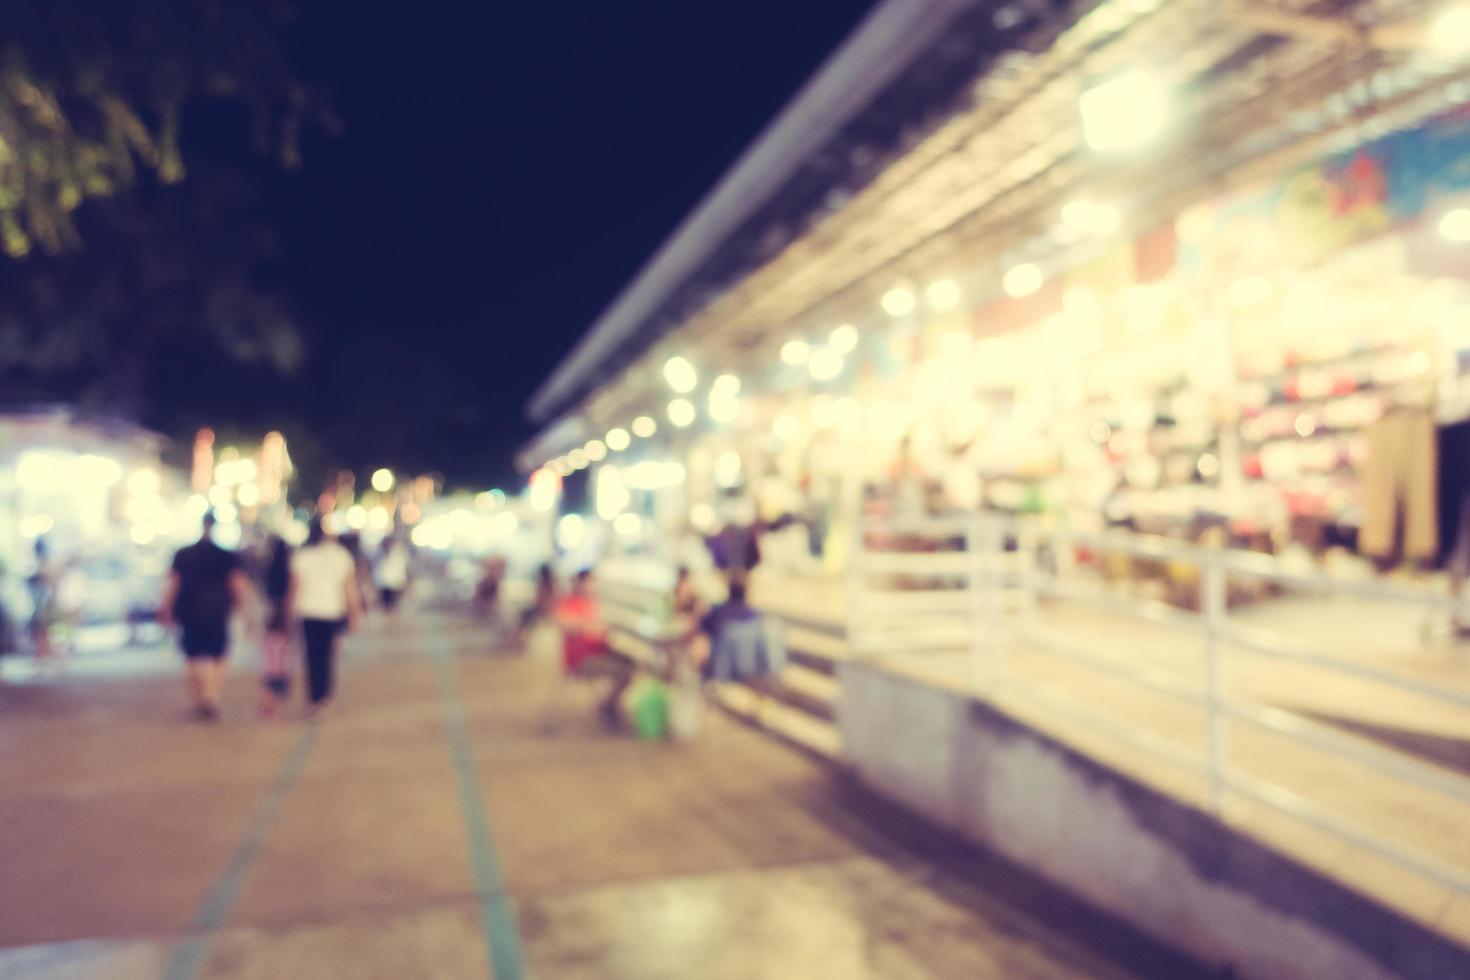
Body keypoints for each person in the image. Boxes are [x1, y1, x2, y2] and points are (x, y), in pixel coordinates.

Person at [159, 514, 255, 721]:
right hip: (218, 611)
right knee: (218, 656)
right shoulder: (226, 555)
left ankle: (199, 697)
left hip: (189, 610)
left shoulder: (183, 554)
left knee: (192, 655)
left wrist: (166, 609)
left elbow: (172, 584)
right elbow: (237, 584)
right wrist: (246, 613)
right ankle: (211, 696)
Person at [288, 519, 362, 715]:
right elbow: (349, 589)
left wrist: (289, 614)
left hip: (309, 612)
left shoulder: (302, 557)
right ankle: (323, 697)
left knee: (312, 656)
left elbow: (294, 588)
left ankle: (314, 698)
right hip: (332, 612)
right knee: (327, 655)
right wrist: (354, 613)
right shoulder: (341, 556)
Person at [555, 569, 633, 727]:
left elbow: (602, 630)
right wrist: (590, 626)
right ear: (579, 584)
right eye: (589, 582)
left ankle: (609, 705)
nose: (593, 586)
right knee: (623, 670)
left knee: (630, 664)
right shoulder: (568, 603)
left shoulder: (593, 604)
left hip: (597, 653)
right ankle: (608, 706)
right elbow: (566, 623)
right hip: (582, 661)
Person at [258, 537, 294, 717]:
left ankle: (268, 703)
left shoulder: (270, 568)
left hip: (273, 615)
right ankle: (275, 703)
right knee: (282, 659)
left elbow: (265, 591)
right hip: (282, 616)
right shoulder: (290, 568)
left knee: (271, 660)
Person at [375, 535, 410, 616]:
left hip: (395, 584)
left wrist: (404, 582)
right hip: (383, 584)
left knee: (394, 605)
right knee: (386, 606)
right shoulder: (378, 554)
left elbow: (402, 568)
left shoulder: (398, 553)